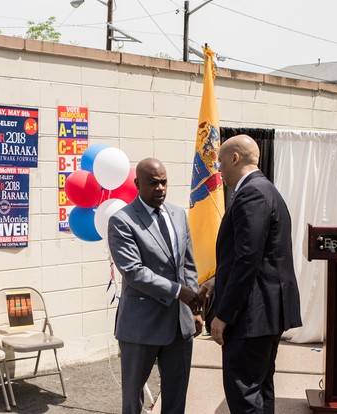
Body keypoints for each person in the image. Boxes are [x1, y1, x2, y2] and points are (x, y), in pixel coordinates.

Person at [199, 134, 302, 413]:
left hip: (252, 315)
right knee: (260, 389)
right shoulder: (266, 189)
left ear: (234, 158)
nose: (219, 169)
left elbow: (248, 259)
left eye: (220, 161)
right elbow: (254, 254)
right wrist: (215, 281)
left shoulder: (252, 192)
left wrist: (223, 315)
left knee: (244, 394)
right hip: (265, 313)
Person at [107, 158, 202, 414]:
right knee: (133, 401)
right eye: (153, 183)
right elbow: (134, 272)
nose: (160, 188)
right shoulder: (122, 221)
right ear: (138, 184)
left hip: (179, 325)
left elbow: (188, 265)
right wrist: (178, 291)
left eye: (164, 182)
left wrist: (193, 308)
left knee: (175, 398)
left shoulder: (178, 214)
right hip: (141, 326)